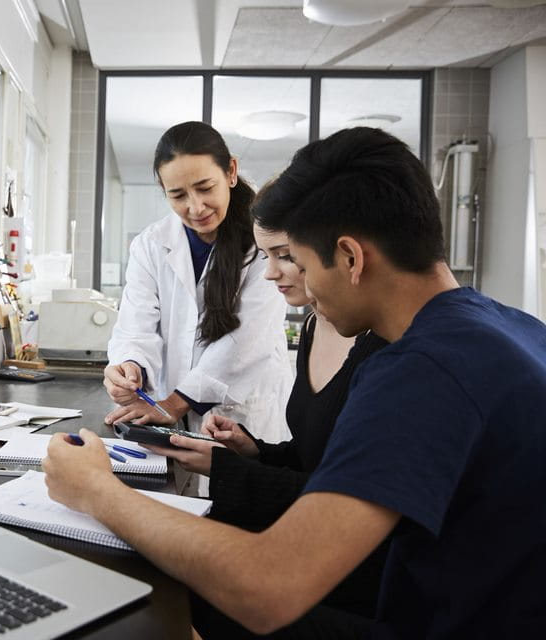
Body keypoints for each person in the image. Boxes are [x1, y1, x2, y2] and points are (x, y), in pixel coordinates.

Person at [43, 127, 546, 637]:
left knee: (166, 594)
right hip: (431, 592)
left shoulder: (422, 371)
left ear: (350, 257)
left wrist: (95, 491)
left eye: (296, 260)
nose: (278, 277)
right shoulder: (506, 329)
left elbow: (268, 587)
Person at [145, 214, 389, 619]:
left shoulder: (384, 351)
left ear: (343, 255)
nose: (270, 273)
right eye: (265, 256)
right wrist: (253, 450)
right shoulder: (315, 324)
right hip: (312, 536)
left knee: (181, 591)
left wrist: (223, 468)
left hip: (354, 577)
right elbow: (317, 453)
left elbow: (342, 501)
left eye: (286, 257)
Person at [103, 121, 292, 450]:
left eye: (205, 188)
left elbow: (247, 341)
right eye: (178, 195)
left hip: (243, 415)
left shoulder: (264, 241)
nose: (195, 207)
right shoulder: (151, 244)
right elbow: (136, 324)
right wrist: (129, 367)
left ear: (231, 171)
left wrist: (174, 404)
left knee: (240, 497)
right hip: (169, 414)